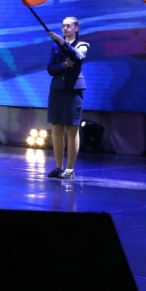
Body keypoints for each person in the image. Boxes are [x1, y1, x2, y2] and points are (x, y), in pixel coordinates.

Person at [46, 17, 89, 180]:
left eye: (68, 26)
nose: (65, 28)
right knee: (56, 128)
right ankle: (58, 167)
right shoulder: (55, 46)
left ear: (76, 28)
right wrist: (65, 65)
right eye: (63, 26)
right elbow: (51, 69)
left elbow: (77, 56)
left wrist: (61, 41)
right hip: (57, 89)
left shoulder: (83, 44)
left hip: (73, 90)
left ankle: (70, 169)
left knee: (71, 128)